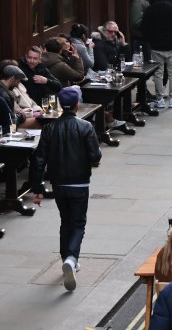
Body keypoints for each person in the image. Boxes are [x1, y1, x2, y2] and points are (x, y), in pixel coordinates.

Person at [30, 85, 102, 291]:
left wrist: (38, 189)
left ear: (62, 105)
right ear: (77, 104)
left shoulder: (50, 128)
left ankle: (68, 259)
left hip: (59, 184)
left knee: (65, 222)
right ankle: (71, 259)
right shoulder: (85, 127)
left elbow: (39, 160)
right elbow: (95, 156)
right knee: (78, 223)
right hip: (80, 183)